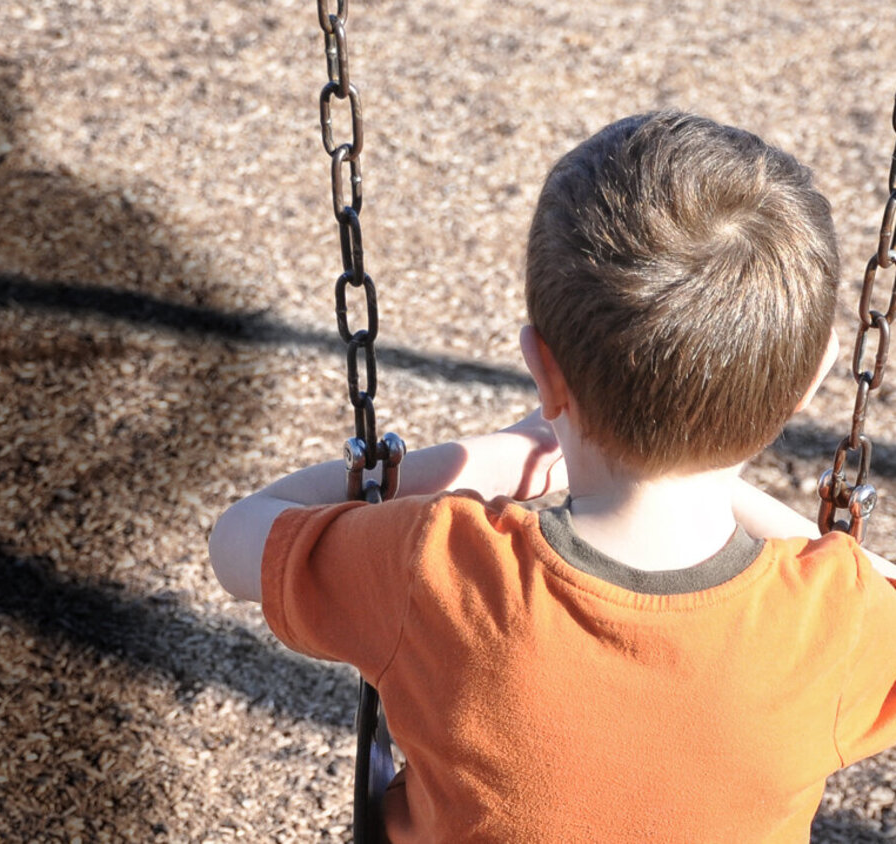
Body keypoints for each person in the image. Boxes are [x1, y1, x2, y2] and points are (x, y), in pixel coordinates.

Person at [208, 111, 896, 842]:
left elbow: (237, 542)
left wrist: (500, 456)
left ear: (542, 369)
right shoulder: (834, 618)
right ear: (812, 381)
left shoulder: (441, 568)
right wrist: (749, 502)